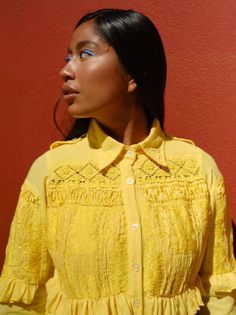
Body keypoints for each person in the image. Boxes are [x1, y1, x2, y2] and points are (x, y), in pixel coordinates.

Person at [0, 8, 235, 315]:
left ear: (133, 74)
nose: (66, 71)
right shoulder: (51, 172)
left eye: (85, 53)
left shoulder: (197, 170)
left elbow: (222, 293)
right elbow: (21, 298)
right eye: (68, 57)